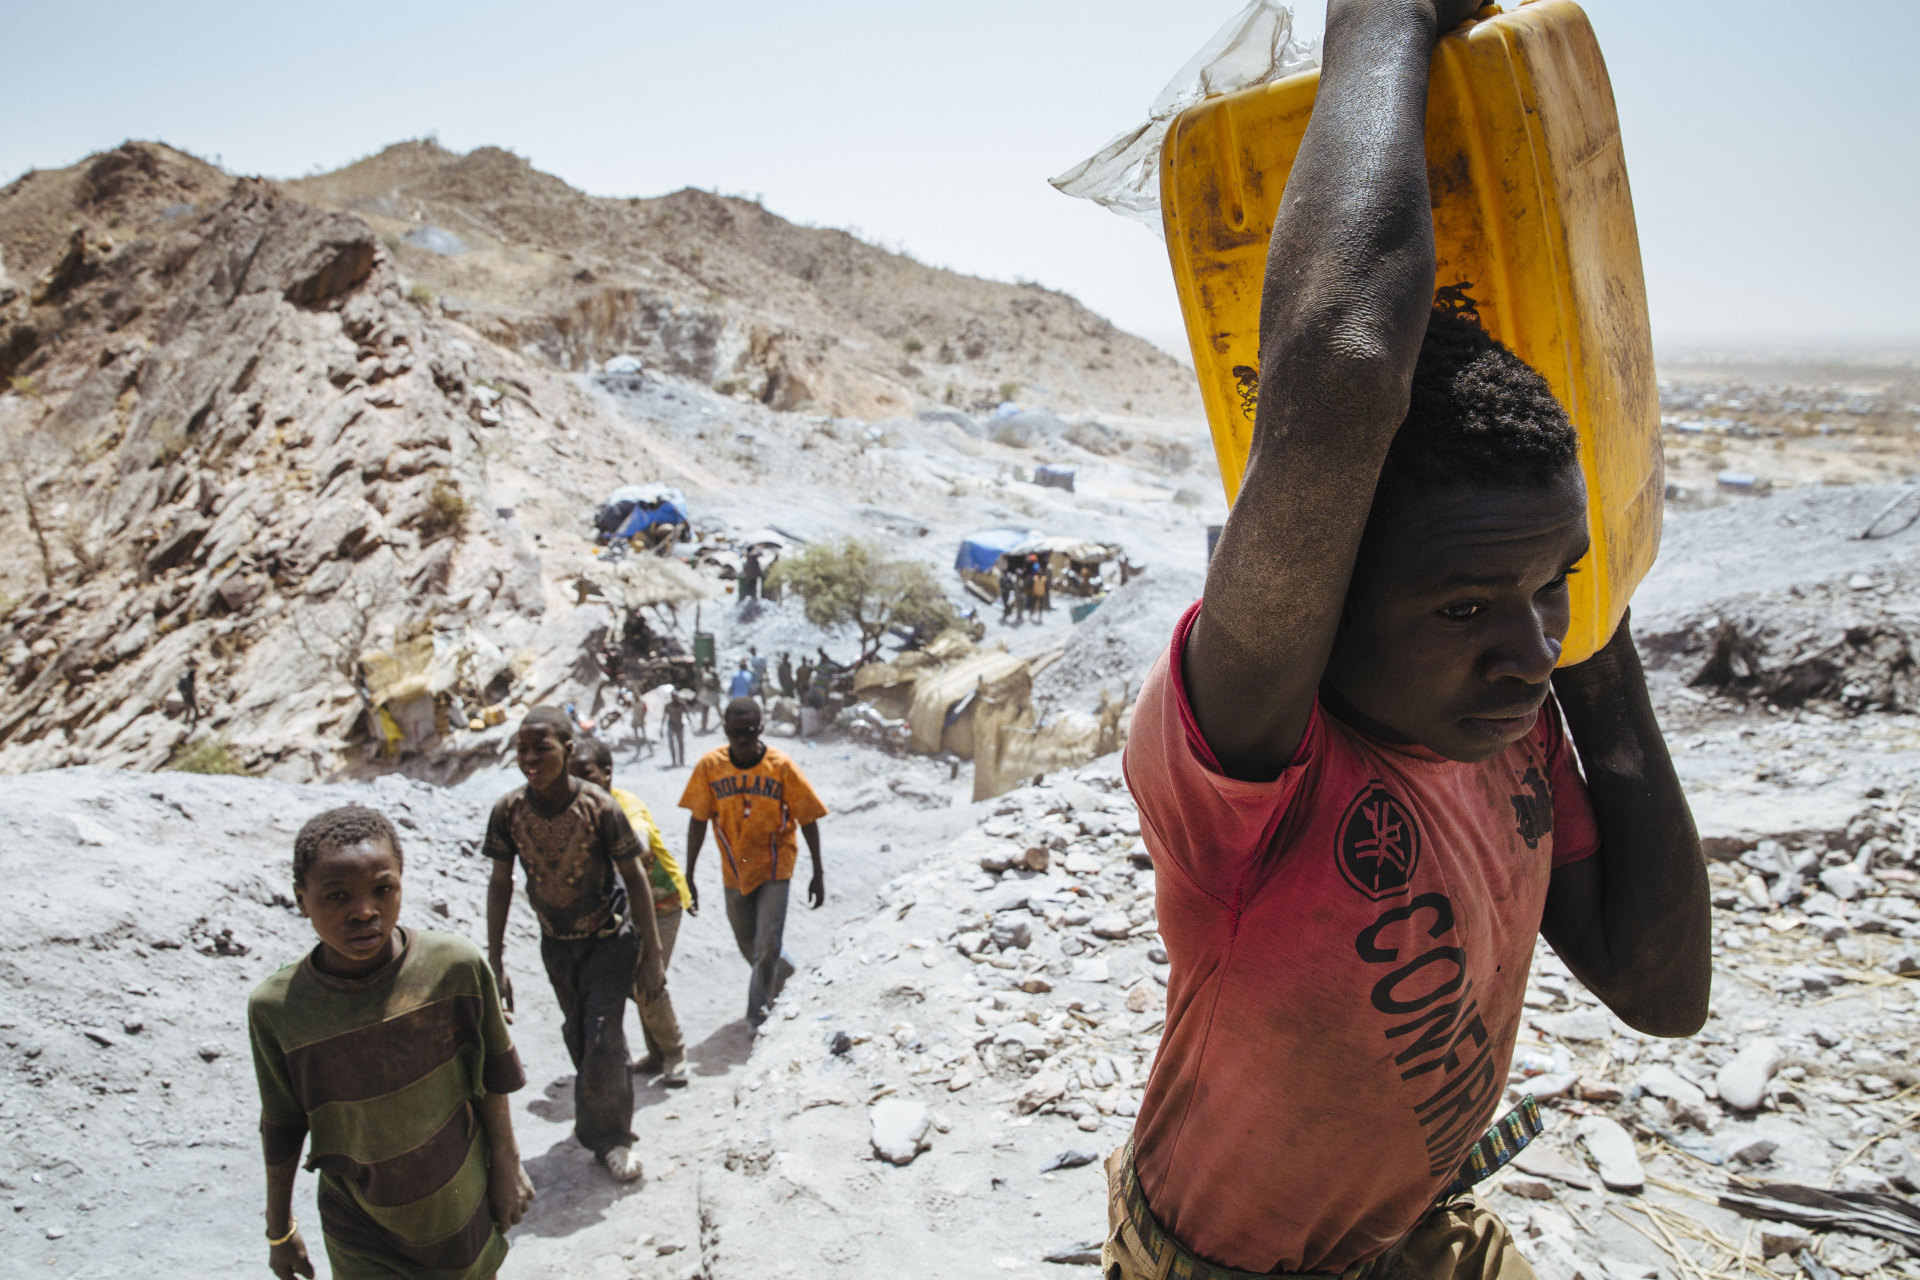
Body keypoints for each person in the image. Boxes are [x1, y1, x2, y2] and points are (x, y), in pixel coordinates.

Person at [1105, 4, 1710, 1279]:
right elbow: (1337, 380)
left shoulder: (1514, 725)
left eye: (1551, 587)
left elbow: (1664, 989)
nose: (1526, 649)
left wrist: (1585, 616)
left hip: (1412, 1240)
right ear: (1324, 597)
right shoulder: (1254, 768)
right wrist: (1384, 23)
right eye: (1461, 605)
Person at [249, 806, 533, 1280]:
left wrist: (507, 1168)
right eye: (337, 896)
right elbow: (281, 1124)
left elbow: (492, 1076)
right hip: (361, 1228)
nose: (364, 911)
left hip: (457, 1204)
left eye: (384, 889)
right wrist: (279, 1230)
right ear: (301, 900)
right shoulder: (278, 1009)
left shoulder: (453, 968)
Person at [484, 707, 668, 1183]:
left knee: (604, 1035)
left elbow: (634, 876)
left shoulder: (598, 807)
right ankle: (601, 1114)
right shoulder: (508, 812)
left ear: (568, 750)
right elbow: (501, 882)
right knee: (579, 1033)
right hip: (558, 945)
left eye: (541, 748)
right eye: (522, 749)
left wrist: (651, 953)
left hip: (609, 939)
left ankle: (613, 1137)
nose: (529, 758)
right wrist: (496, 958)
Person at [680, 698, 828, 1027]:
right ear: (726, 731)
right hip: (734, 868)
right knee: (747, 942)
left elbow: (808, 819)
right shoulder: (710, 766)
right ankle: (784, 971)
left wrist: (818, 872)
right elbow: (698, 821)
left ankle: (757, 1015)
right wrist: (688, 875)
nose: (742, 740)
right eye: (735, 733)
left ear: (760, 730)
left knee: (766, 942)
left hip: (776, 864)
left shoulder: (782, 767)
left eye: (748, 732)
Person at [570, 739, 692, 1088]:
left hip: (660, 904)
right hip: (623, 909)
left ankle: (675, 1053)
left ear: (607, 774)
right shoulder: (580, 811)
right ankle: (657, 1053)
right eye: (571, 776)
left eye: (586, 775)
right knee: (633, 983)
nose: (578, 783)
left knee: (648, 979)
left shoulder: (625, 805)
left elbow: (638, 839)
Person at [664, 689, 689, 768]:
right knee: (671, 743)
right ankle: (674, 761)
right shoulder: (668, 706)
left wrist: (691, 723)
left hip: (679, 726)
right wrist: (661, 728)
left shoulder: (682, 705)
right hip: (671, 725)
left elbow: (687, 714)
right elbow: (664, 716)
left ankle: (681, 760)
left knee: (680, 743)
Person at [178, 660, 200, 727]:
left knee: (194, 710)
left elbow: (193, 688)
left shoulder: (191, 679)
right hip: (186, 697)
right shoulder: (184, 679)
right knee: (189, 710)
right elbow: (179, 687)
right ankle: (188, 722)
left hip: (191, 697)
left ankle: (192, 722)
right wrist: (184, 693)